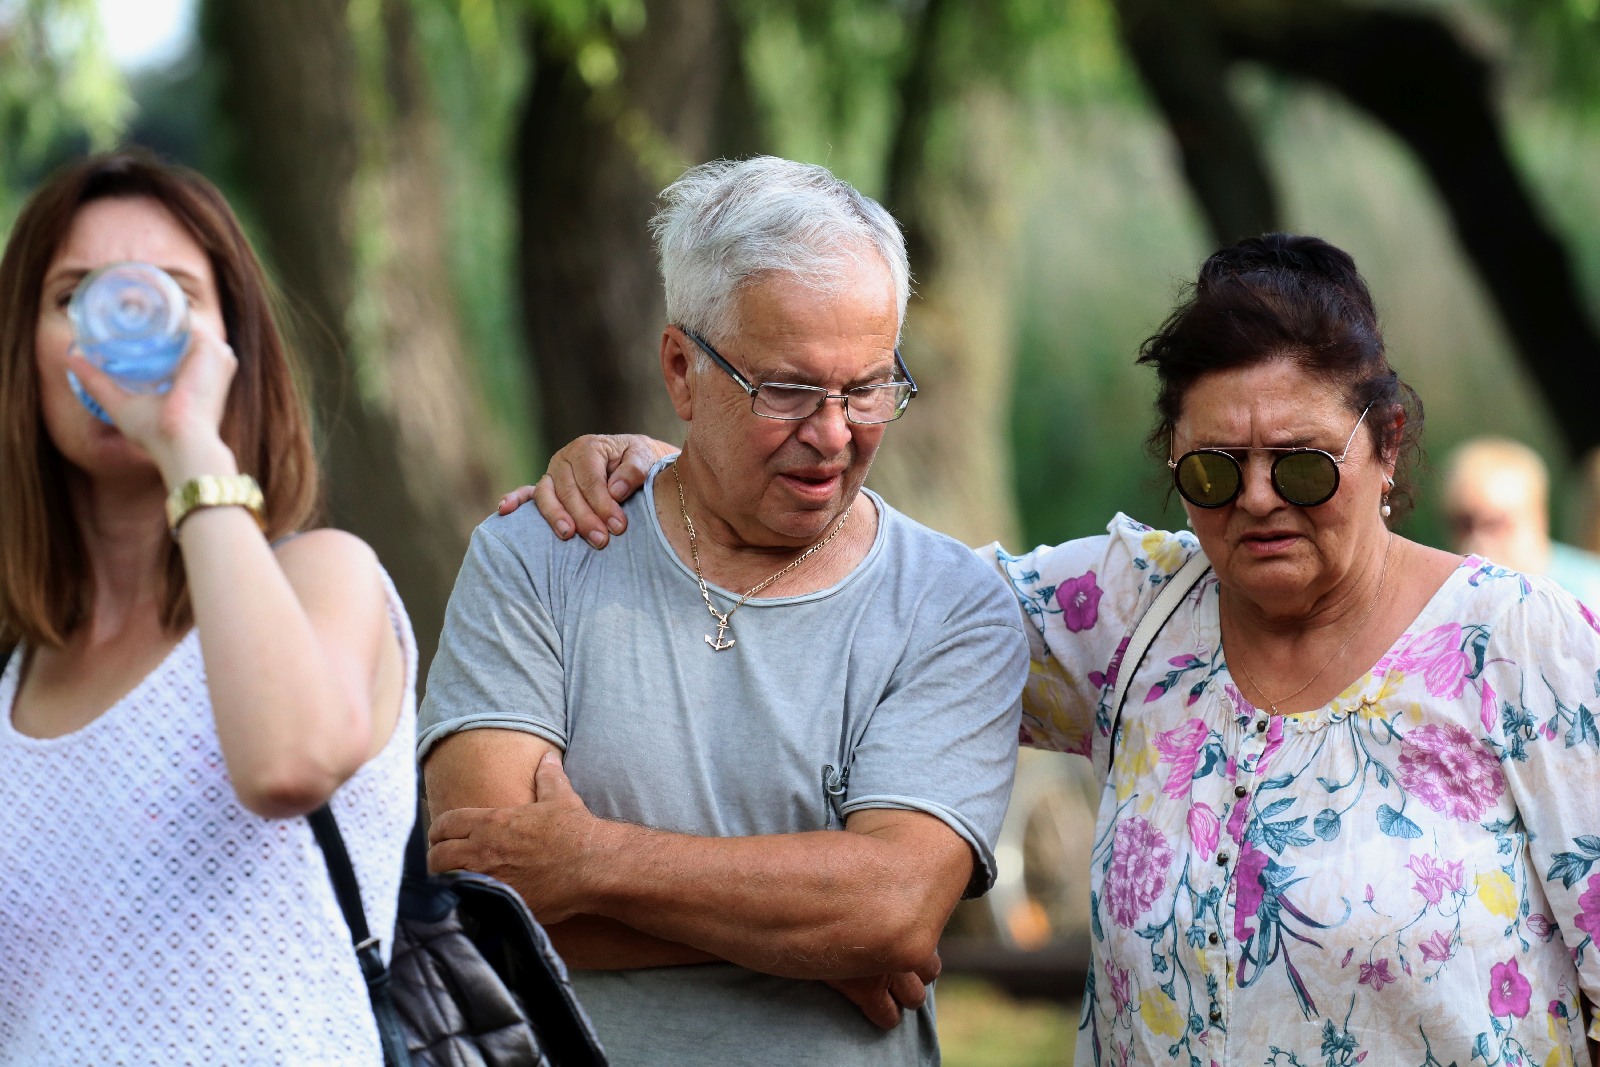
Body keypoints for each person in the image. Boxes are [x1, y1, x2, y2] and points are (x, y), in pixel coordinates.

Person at [528, 233, 1600, 1065]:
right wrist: (672, 465)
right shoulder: (1131, 611)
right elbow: (876, 593)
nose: (1261, 499)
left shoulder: (1520, 643)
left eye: (1304, 465)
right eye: (1216, 470)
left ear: (1386, 444)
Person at [418, 156, 1027, 1067]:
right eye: (787, 389)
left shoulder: (952, 606)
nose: (833, 433)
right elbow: (483, 893)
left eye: (867, 388)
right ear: (681, 368)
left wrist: (590, 862)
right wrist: (816, 943)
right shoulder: (539, 555)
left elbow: (893, 908)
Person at [0, 151, 416, 1064]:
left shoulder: (325, 580)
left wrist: (186, 439)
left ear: (232, 347)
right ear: (21, 351)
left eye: (170, 292)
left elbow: (288, 761)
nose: (122, 321)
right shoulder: (11, 682)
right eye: (75, 295)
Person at [1443, 435, 1600, 607]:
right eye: (1464, 525)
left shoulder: (1590, 594)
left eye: (1495, 524)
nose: (1476, 542)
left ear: (1539, 516)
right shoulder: (1448, 597)